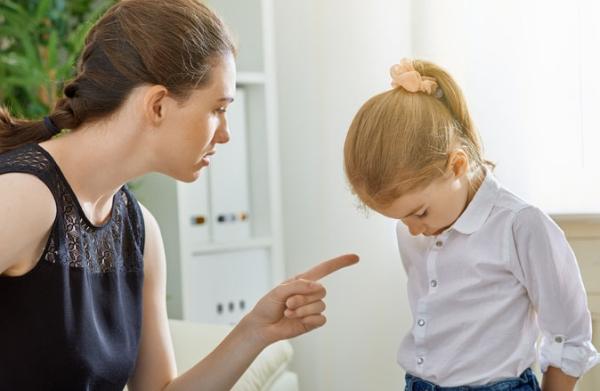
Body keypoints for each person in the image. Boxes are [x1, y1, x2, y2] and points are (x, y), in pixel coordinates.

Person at [0, 1, 358, 390]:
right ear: (157, 105)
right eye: (218, 109)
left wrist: (255, 330)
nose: (225, 134)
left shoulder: (141, 232)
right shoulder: (25, 197)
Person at [343, 58, 599, 391]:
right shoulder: (413, 233)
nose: (412, 229)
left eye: (419, 213)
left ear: (457, 165)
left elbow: (569, 334)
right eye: (400, 219)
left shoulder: (520, 226)